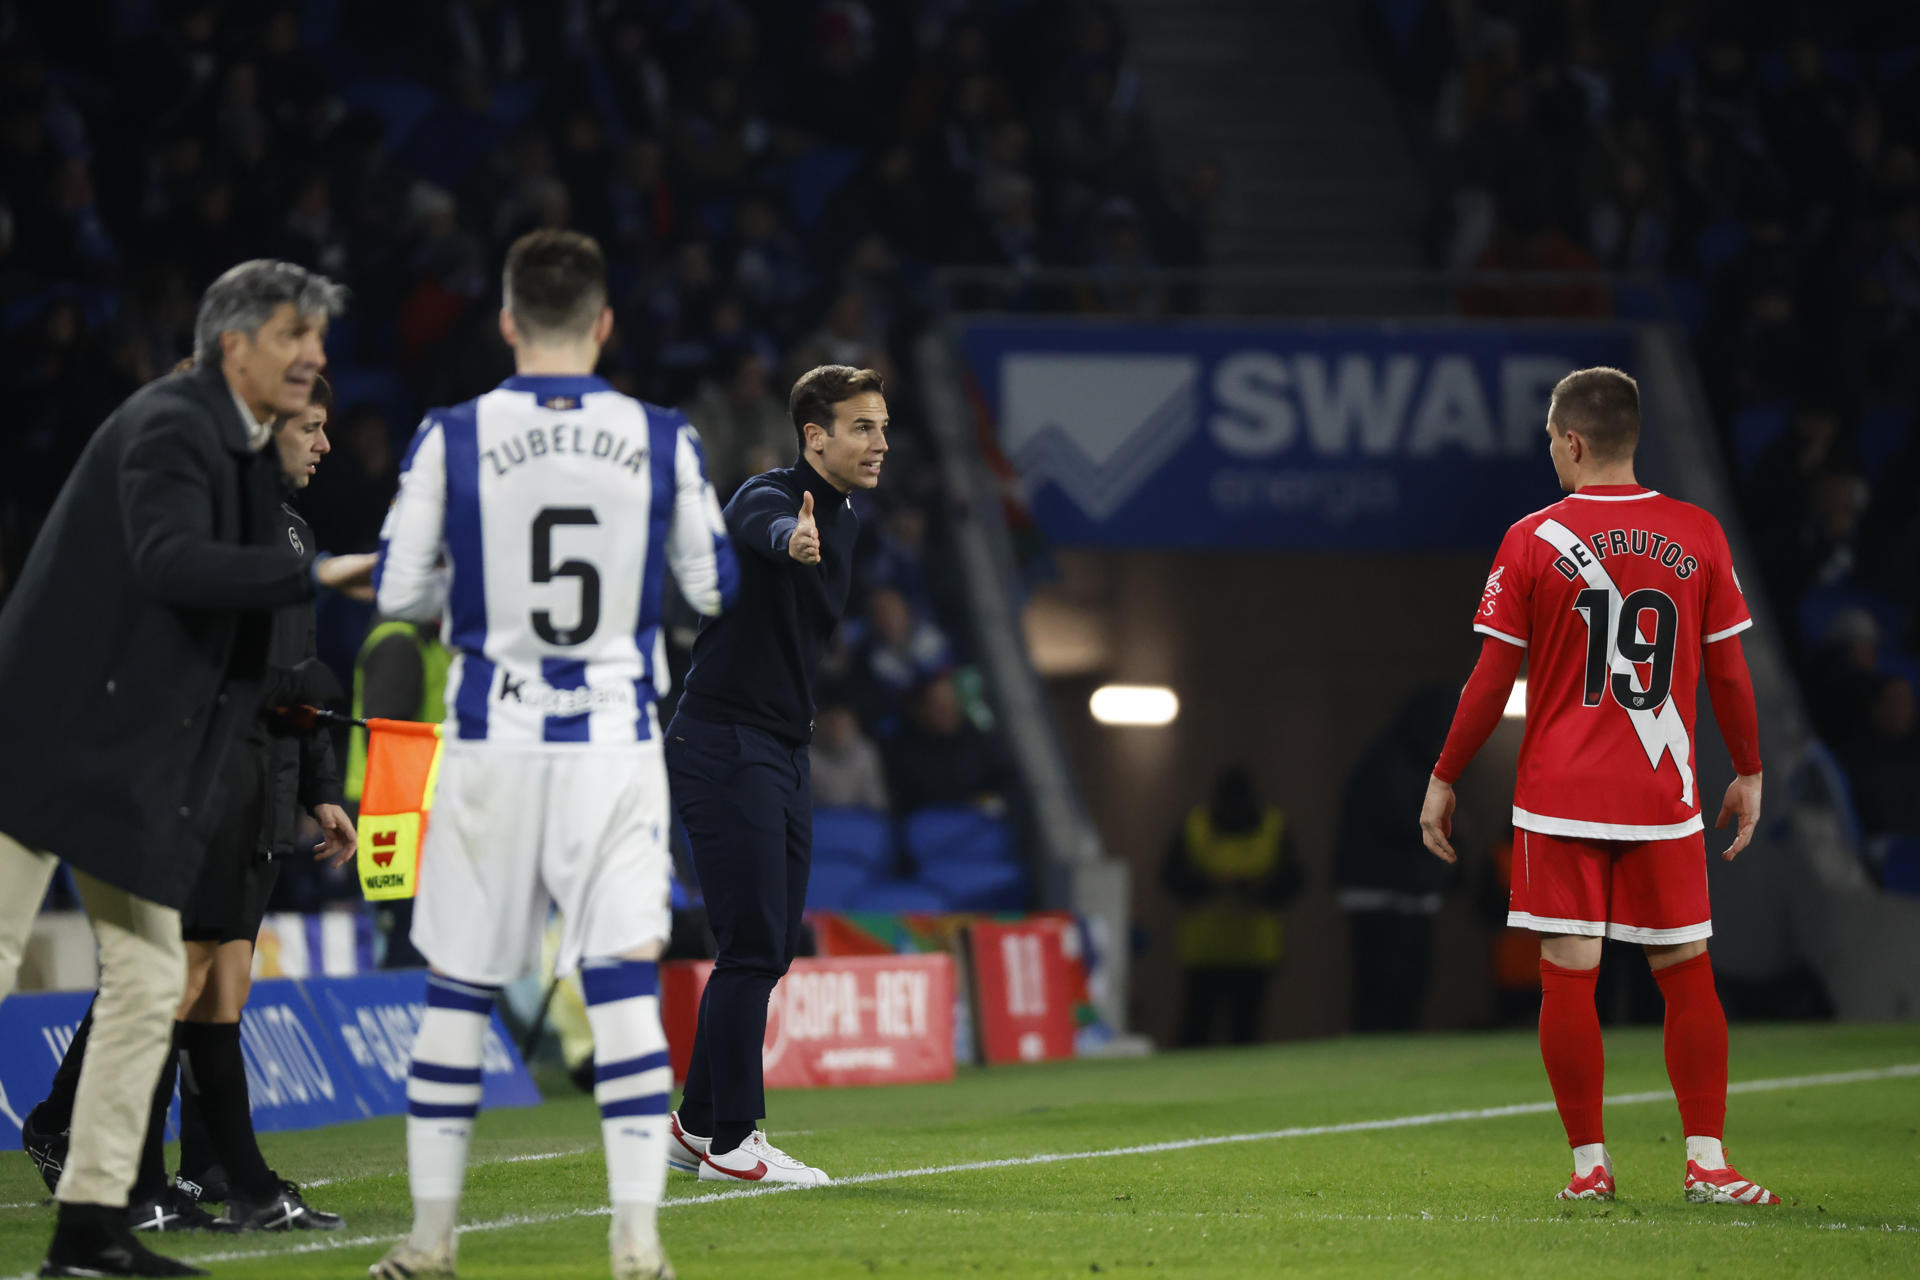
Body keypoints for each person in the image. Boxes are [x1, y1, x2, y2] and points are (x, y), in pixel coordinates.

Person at [371, 228, 737, 1280]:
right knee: (620, 983)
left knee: (459, 992)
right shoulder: (662, 436)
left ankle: (429, 1240)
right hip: (613, 747)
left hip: (493, 738)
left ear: (506, 322)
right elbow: (713, 586)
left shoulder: (453, 433)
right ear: (605, 323)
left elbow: (398, 593)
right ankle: (636, 1240)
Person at [0, 258, 343, 1280]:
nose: (314, 363)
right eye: (296, 340)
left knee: (151, 974)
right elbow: (165, 564)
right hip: (37, 736)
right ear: (236, 347)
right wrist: (310, 575)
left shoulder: (241, 476)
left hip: (125, 759)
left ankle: (93, 1227)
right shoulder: (171, 426)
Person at [1418, 366, 1778, 1206]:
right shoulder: (1699, 533)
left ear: (1573, 441)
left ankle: (1590, 1169)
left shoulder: (1529, 538)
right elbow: (1729, 674)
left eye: (1551, 440)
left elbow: (1487, 679)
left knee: (1567, 976)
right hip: (1663, 790)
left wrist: (1444, 777)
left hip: (1560, 794)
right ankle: (1709, 1165)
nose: (1551, 453)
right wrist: (1749, 771)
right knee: (1686, 973)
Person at [663, 364, 888, 1187]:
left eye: (884, 428)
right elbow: (754, 519)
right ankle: (734, 1144)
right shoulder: (769, 495)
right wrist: (786, 540)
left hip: (781, 747)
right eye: (862, 428)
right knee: (752, 941)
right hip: (723, 740)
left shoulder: (849, 521)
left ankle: (693, 1125)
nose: (880, 444)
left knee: (769, 943)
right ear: (814, 437)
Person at [1335, 686, 1457, 1032]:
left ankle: (1395, 1053)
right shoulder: (1390, 763)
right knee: (1384, 987)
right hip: (1382, 895)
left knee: (1408, 985)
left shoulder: (1406, 761)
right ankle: (1375, 1060)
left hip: (1405, 895)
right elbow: (1403, 822)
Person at [1161, 765, 1302, 1046]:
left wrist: (1256, 890)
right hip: (1205, 951)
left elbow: (1292, 882)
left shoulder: (1272, 826)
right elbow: (1171, 877)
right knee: (1196, 1030)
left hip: (1253, 951)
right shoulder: (1196, 825)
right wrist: (1208, 885)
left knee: (1245, 1033)